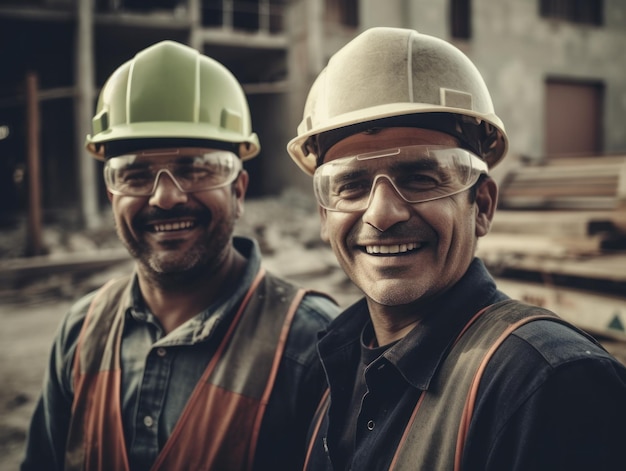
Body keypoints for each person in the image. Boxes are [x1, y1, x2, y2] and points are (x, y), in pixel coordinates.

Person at [286, 27, 626, 470]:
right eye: (350, 185)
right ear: (323, 217)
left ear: (481, 205)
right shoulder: (332, 362)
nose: (381, 214)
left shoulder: (551, 387)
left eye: (420, 178)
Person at [21, 40, 339, 471]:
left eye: (196, 168)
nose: (166, 197)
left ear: (239, 190)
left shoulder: (312, 344)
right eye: (135, 173)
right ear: (112, 194)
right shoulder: (80, 333)